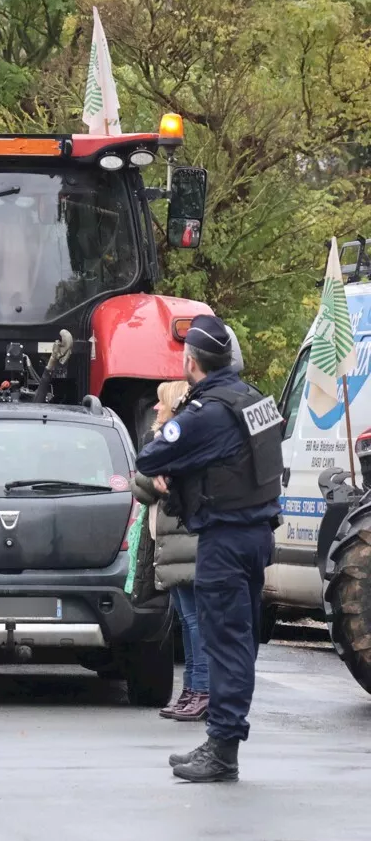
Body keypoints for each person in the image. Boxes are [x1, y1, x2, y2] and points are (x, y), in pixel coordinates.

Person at [135, 315, 283, 783]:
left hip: (225, 535)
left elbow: (150, 457)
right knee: (237, 641)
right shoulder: (256, 400)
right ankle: (221, 741)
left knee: (225, 644)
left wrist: (173, 444)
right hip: (256, 532)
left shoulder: (209, 412)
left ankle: (222, 749)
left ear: (191, 362)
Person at [132, 380, 207, 723]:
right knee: (188, 621)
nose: (157, 409)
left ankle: (200, 691)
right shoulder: (161, 444)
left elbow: (153, 482)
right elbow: (141, 484)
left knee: (195, 623)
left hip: (185, 544)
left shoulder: (182, 443)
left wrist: (156, 477)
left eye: (162, 404)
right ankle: (190, 690)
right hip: (171, 544)